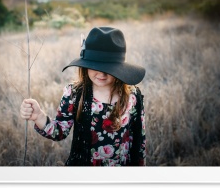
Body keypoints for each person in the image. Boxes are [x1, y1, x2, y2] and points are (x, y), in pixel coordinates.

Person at [20, 26, 146, 166]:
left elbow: (139, 140)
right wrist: (39, 117)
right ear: (85, 65)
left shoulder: (132, 96)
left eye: (109, 68)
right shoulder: (74, 94)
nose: (101, 74)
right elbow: (59, 132)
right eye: (95, 66)